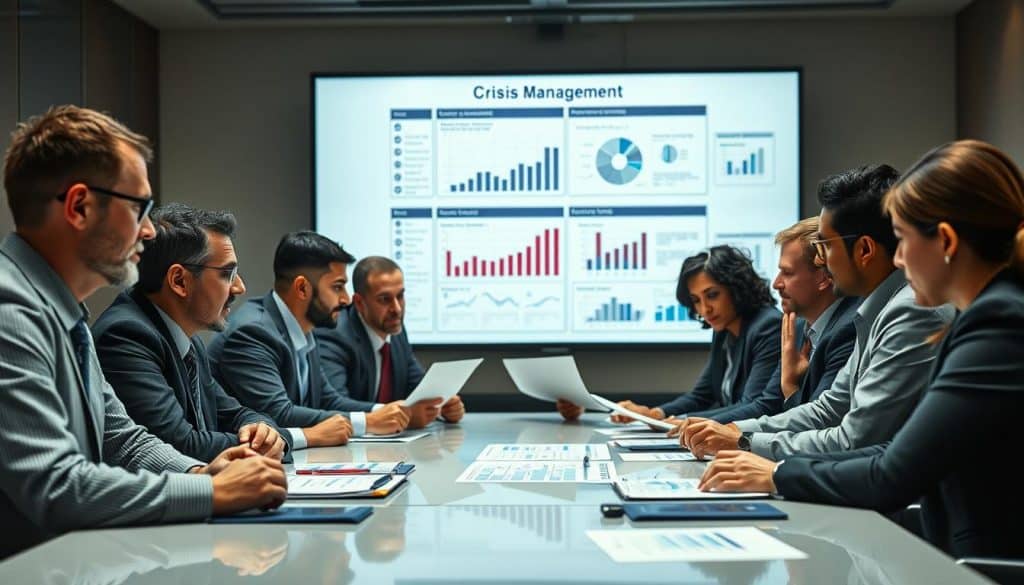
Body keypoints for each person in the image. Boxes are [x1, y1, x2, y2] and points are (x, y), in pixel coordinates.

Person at [699, 140, 1024, 558]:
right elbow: (895, 448)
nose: (901, 260)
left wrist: (776, 474)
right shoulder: (986, 313)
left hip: (979, 563)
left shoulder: (996, 323)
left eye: (903, 240)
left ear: (945, 241)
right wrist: (756, 453)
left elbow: (893, 471)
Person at [0, 105, 286, 558]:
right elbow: (57, 485)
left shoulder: (63, 310)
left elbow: (123, 439)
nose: (150, 231)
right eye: (140, 208)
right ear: (78, 206)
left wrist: (200, 475)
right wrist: (212, 494)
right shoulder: (9, 309)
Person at [678, 164, 955, 461]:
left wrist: (745, 442)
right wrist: (735, 430)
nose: (822, 260)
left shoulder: (909, 312)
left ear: (864, 250)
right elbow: (829, 409)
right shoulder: (876, 310)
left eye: (824, 246)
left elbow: (853, 440)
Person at [92, 203, 288, 462]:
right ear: (179, 281)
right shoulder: (126, 336)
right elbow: (178, 444)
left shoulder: (186, 338)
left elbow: (234, 413)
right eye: (228, 274)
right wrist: (258, 447)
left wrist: (265, 432)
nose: (239, 287)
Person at [208, 231, 410, 448]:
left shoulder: (303, 327)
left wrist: (385, 412)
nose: (345, 298)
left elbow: (329, 399)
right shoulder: (252, 332)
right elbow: (278, 413)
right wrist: (367, 422)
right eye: (337, 287)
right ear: (302, 288)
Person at [674, 218, 859, 442]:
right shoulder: (797, 326)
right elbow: (789, 408)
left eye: (787, 273)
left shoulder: (847, 327)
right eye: (696, 300)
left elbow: (819, 421)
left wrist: (733, 433)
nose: (776, 283)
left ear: (823, 277)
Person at [558, 245, 781, 422]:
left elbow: (753, 406)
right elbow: (700, 396)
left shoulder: (767, 326)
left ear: (736, 288)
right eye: (696, 300)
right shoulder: (724, 330)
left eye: (712, 295)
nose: (705, 309)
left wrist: (684, 422)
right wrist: (655, 414)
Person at [316, 256, 464, 428]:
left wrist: (442, 405)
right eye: (385, 299)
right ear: (359, 302)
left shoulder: (395, 331)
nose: (397, 309)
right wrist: (403, 414)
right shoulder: (335, 335)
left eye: (400, 296)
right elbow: (334, 404)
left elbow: (418, 388)